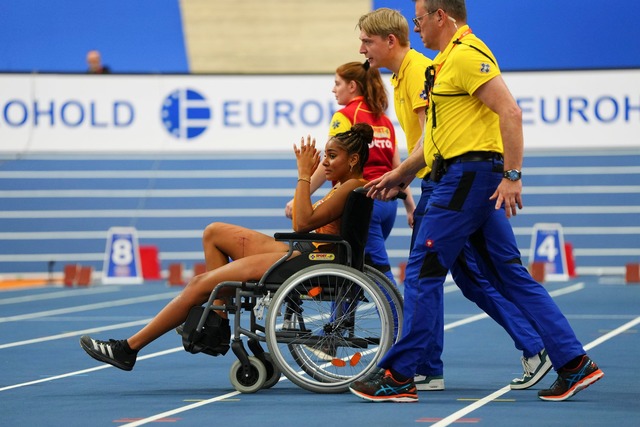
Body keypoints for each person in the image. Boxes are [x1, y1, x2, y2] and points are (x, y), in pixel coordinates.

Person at [350, 0, 603, 403]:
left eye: (419, 20)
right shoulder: (443, 63)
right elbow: (435, 137)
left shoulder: (467, 56)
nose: (416, 29)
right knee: (508, 276)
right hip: (460, 176)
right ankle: (573, 364)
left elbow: (511, 113)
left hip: (467, 178)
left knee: (422, 273)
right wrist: (400, 175)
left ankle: (400, 375)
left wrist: (512, 176)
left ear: (440, 17)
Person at [80, 123, 373, 371]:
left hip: (311, 259)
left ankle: (128, 349)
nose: (325, 162)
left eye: (332, 157)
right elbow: (304, 224)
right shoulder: (345, 185)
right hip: (306, 252)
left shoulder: (349, 186)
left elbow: (301, 222)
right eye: (326, 156)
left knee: (199, 284)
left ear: (353, 160)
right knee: (214, 233)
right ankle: (218, 319)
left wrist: (304, 174)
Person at [284, 61, 416, 286]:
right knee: (352, 267)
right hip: (389, 207)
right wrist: (410, 205)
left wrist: (299, 198)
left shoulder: (344, 117)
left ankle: (399, 320)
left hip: (363, 202)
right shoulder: (384, 121)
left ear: (352, 86)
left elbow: (332, 163)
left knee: (377, 272)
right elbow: (398, 168)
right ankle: (341, 321)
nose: (334, 89)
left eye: (337, 84)